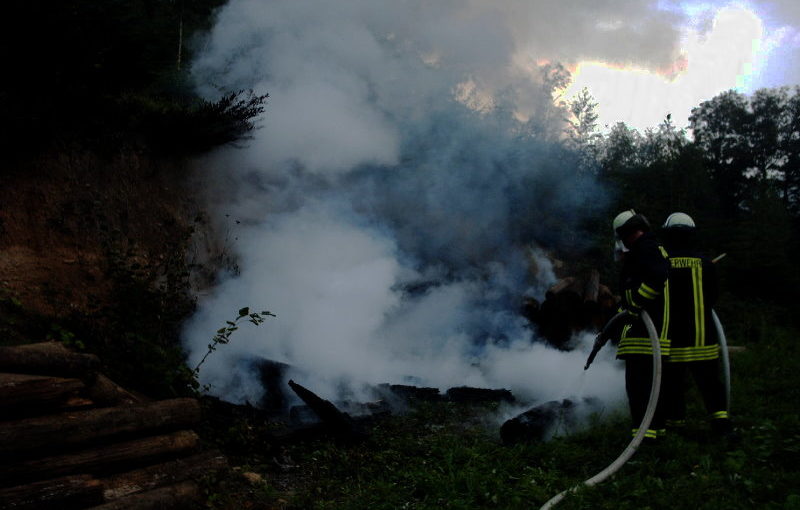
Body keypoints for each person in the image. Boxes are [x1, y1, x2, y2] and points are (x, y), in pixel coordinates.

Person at [659, 212, 732, 437]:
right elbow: (713, 297)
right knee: (710, 383)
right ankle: (721, 423)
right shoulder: (706, 264)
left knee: (673, 383)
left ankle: (675, 425)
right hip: (703, 338)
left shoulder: (661, 263)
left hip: (672, 339)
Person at [612, 209, 671, 441]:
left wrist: (636, 305)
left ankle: (643, 437)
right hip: (648, 331)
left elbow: (656, 278)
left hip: (645, 333)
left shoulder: (645, 248)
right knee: (652, 386)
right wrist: (623, 311)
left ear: (627, 232)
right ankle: (655, 431)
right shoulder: (648, 248)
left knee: (638, 388)